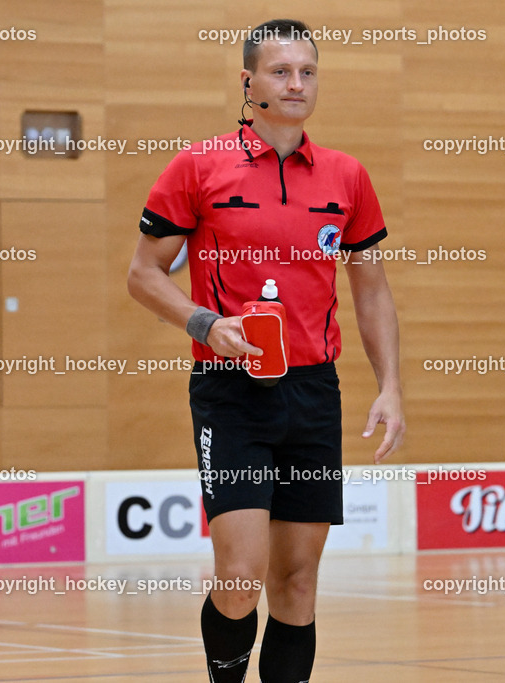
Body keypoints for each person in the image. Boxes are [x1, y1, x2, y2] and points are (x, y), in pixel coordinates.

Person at [127, 19, 404, 682]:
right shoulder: (198, 167)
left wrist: (390, 384)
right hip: (231, 394)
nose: (296, 84)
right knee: (241, 574)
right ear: (249, 82)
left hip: (314, 395)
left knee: (298, 580)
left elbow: (371, 289)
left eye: (308, 72)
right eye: (281, 71)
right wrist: (203, 322)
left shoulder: (348, 177)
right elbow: (142, 274)